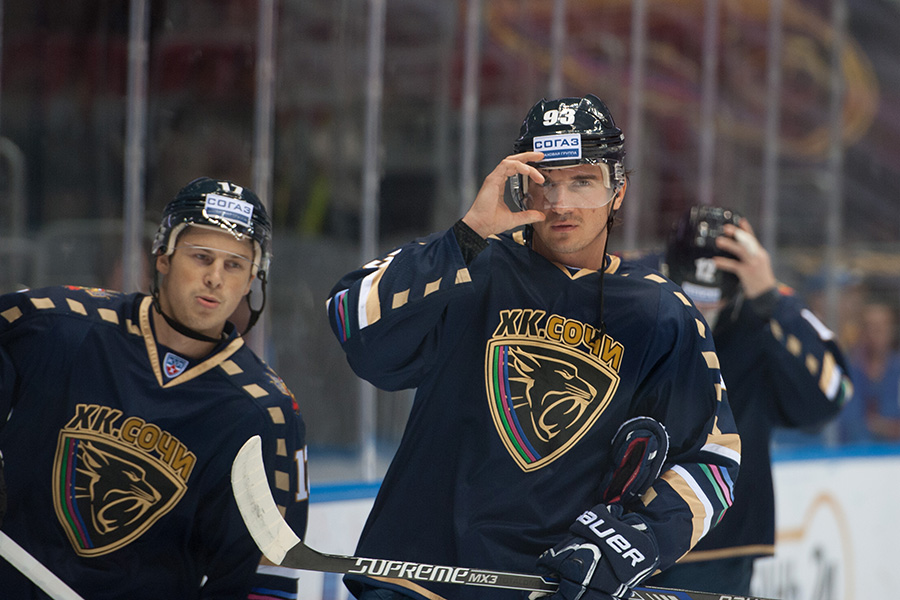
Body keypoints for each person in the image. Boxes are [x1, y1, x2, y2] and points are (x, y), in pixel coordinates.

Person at [326, 94, 741, 600]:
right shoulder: (471, 266)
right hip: (418, 579)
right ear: (519, 186)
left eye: (583, 181)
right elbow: (352, 320)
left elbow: (713, 460)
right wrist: (466, 236)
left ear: (618, 191)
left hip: (548, 588)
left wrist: (635, 542)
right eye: (545, 182)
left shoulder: (660, 313)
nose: (562, 204)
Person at [0, 177, 309, 599]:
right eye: (201, 257)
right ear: (163, 256)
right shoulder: (58, 326)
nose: (215, 278)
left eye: (234, 265)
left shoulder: (265, 415)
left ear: (254, 278)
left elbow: (265, 581)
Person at [640, 205, 852, 595]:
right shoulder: (632, 284)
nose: (701, 310)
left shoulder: (764, 309)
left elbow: (832, 395)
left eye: (714, 300)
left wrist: (772, 300)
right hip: (625, 524)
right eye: (690, 296)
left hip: (721, 544)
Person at [836, 299, 900, 443]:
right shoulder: (848, 370)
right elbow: (846, 421)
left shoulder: (897, 370)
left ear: (891, 329)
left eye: (880, 327)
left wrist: (883, 427)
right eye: (869, 327)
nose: (874, 334)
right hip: (854, 450)